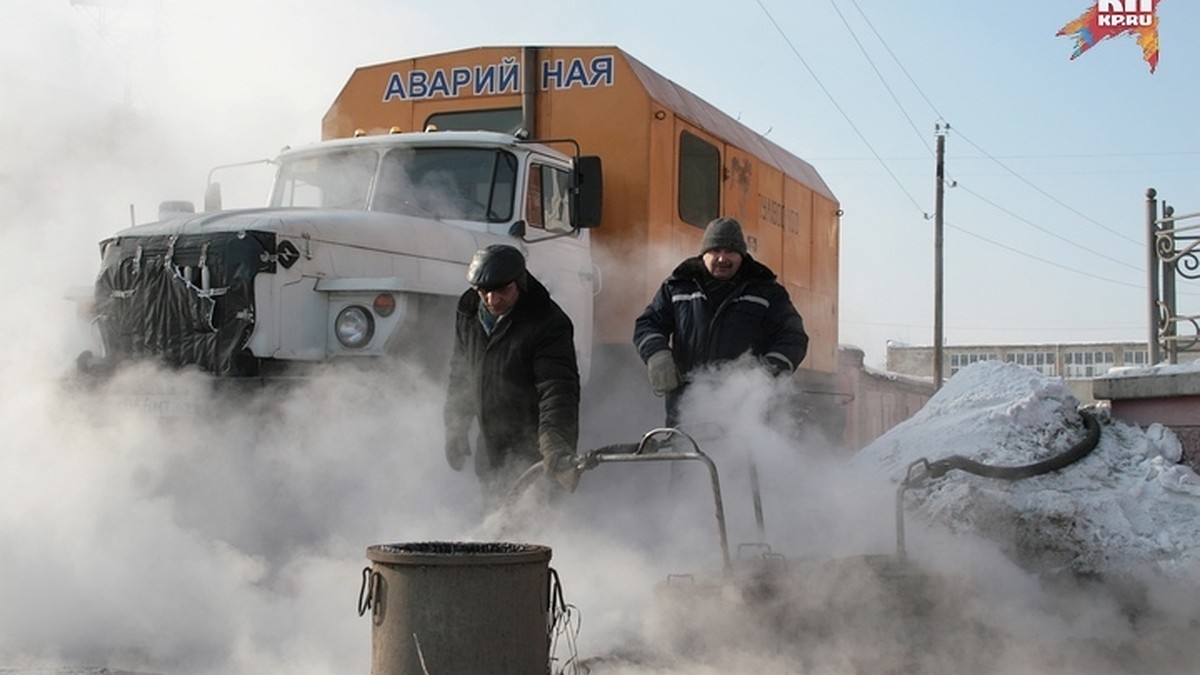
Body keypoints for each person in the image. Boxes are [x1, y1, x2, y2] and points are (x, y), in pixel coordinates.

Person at [633, 217, 809, 426]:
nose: (722, 258)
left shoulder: (766, 291)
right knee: (688, 458)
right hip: (687, 408)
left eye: (730, 251)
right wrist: (657, 354)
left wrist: (765, 375)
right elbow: (649, 323)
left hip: (746, 413)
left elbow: (793, 337)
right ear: (703, 254)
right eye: (715, 251)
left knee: (736, 457)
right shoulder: (677, 287)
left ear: (742, 255)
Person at [443, 244, 581, 503]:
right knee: (494, 526)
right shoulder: (469, 313)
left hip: (534, 453)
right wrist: (455, 424)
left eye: (503, 290)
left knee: (533, 530)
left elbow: (557, 387)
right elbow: (461, 372)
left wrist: (555, 440)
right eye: (485, 292)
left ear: (520, 283)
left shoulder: (548, 323)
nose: (493, 300)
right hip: (491, 449)